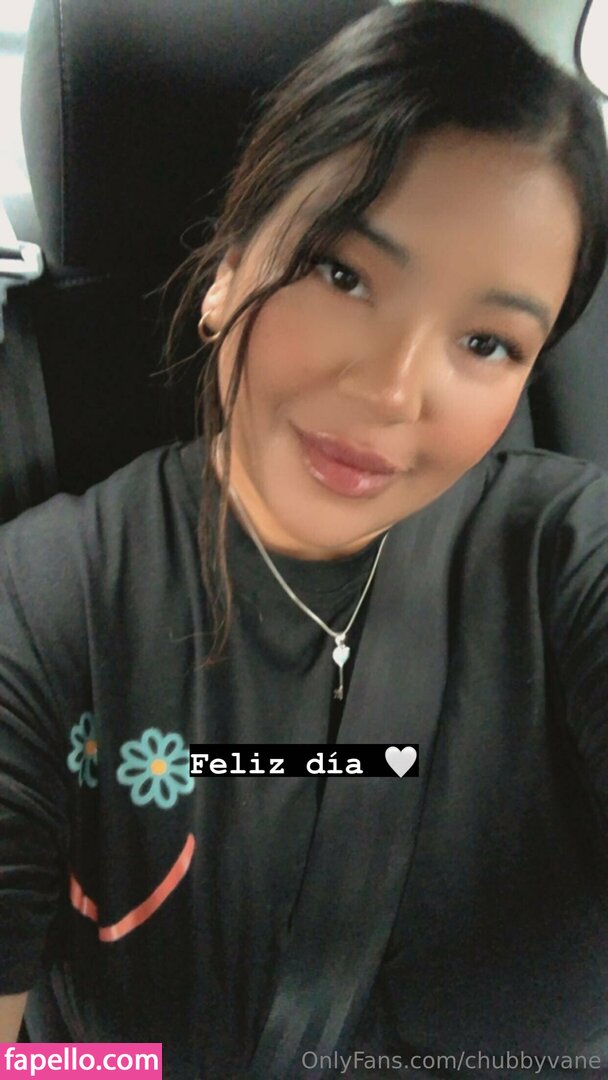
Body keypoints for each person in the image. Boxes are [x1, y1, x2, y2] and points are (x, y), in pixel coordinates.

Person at [1, 1, 607, 1077]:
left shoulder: (567, 556)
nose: (391, 392)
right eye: (342, 273)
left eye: (485, 341)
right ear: (226, 270)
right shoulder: (49, 605)